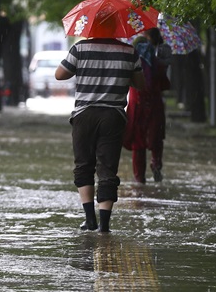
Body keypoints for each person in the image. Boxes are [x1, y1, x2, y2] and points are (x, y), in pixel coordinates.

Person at [55, 15, 145, 233]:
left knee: (84, 164)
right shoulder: (129, 51)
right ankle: (104, 224)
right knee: (107, 168)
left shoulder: (80, 49)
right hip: (113, 116)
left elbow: (59, 75)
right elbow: (140, 84)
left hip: (84, 114)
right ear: (116, 27)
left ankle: (90, 219)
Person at [123, 36, 170, 184]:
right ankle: (156, 163)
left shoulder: (133, 64)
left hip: (137, 107)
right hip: (155, 106)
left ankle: (139, 178)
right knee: (155, 138)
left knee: (138, 143)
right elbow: (166, 85)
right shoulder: (157, 64)